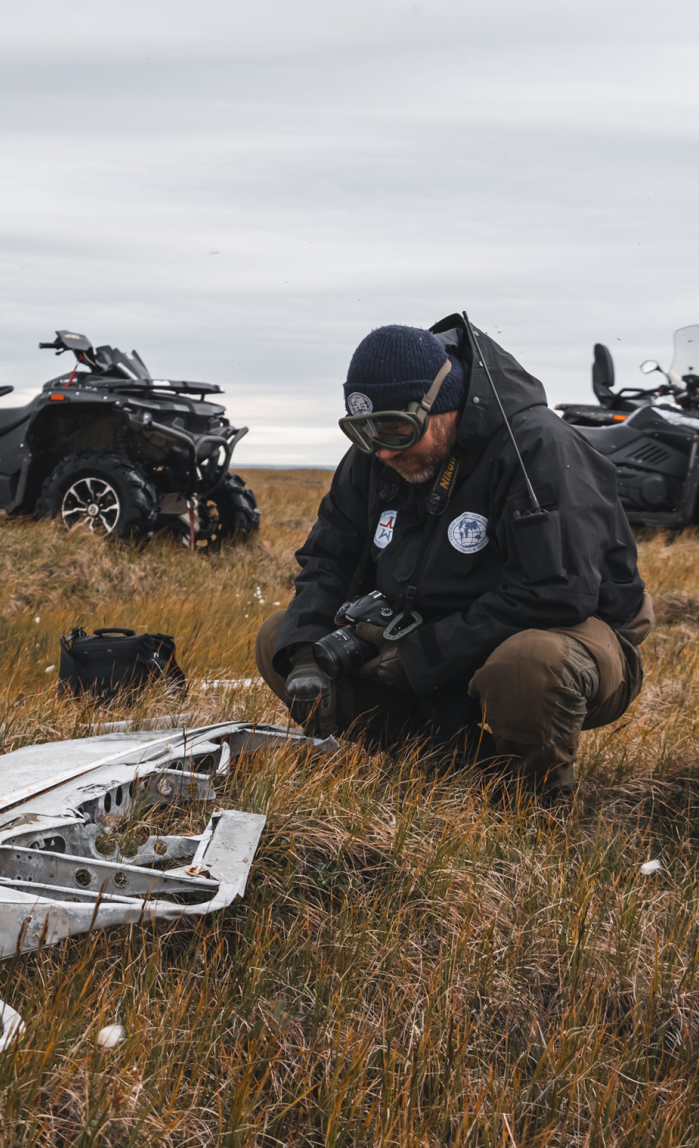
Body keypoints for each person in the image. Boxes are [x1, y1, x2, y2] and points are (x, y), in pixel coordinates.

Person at [255, 313, 653, 799]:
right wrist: (305, 657)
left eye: (397, 430)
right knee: (282, 637)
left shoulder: (537, 448)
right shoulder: (375, 453)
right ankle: (445, 769)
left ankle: (535, 804)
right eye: (363, 433)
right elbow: (328, 561)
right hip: (427, 629)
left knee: (529, 665)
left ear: (443, 405)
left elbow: (556, 594)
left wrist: (417, 655)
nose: (381, 452)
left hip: (569, 632)